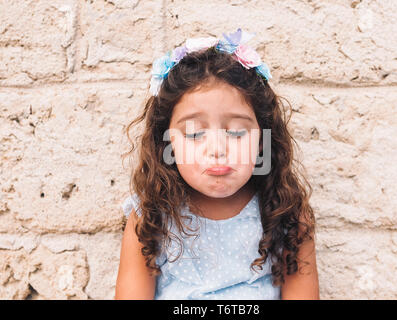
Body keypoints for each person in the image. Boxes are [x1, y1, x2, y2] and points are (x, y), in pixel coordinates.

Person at [115, 28, 319, 300]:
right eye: (195, 134)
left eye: (236, 133)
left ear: (263, 140)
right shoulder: (151, 216)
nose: (217, 150)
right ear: (168, 144)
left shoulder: (286, 216)